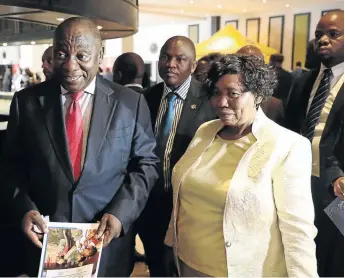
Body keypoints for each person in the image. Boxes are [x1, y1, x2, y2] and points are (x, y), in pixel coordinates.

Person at [0, 17, 159, 277]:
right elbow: (11, 166)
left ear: (100, 55)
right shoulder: (27, 102)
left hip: (105, 244)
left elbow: (146, 164)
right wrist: (24, 208)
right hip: (45, 243)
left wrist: (120, 214)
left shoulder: (131, 103)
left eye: (82, 55)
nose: (70, 65)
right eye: (62, 53)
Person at [164, 54, 318, 277]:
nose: (221, 102)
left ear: (257, 95)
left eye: (233, 94)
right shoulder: (206, 131)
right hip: (188, 263)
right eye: (216, 93)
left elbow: (298, 230)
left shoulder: (288, 146)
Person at [137, 36, 217, 276]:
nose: (170, 64)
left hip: (189, 209)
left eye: (180, 59)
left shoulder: (210, 101)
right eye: (165, 57)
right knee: (157, 266)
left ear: (193, 66)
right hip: (150, 205)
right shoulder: (144, 99)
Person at [284, 10, 344, 277]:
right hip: (297, 186)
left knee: (333, 263)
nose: (323, 40)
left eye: (333, 34)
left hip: (337, 191)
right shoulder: (302, 81)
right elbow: (288, 131)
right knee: (300, 260)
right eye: (319, 34)